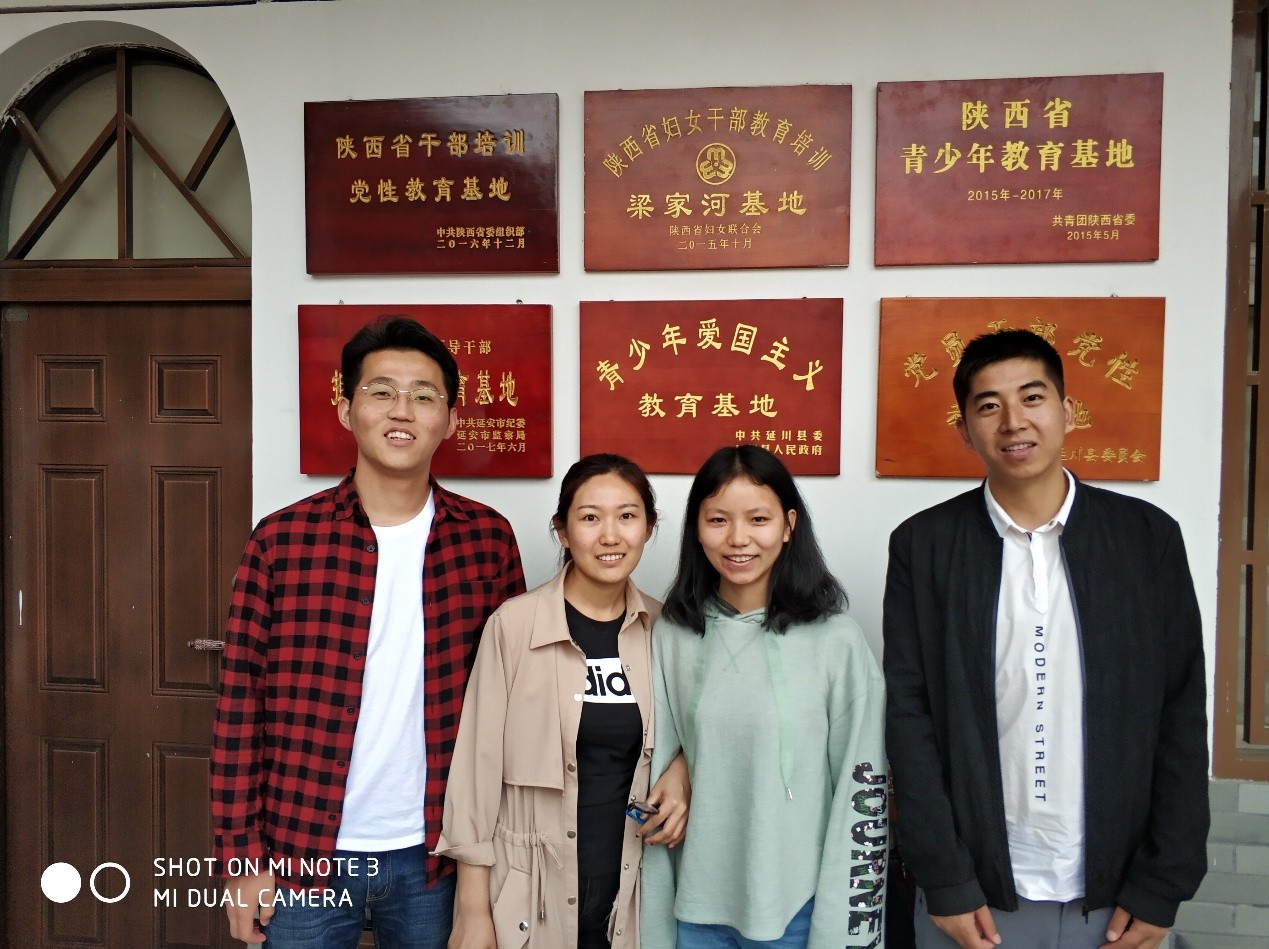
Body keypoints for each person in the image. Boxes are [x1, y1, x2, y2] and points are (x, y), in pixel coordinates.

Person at [883, 329, 1209, 949]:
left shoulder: (1146, 539)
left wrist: (1162, 883)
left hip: (1115, 895)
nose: (1013, 421)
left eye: (1032, 398)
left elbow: (1180, 711)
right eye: (988, 405)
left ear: (1068, 411)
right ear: (965, 429)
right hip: (975, 895)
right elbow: (909, 713)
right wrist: (944, 878)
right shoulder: (924, 546)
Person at [211, 316, 525, 948]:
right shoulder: (282, 541)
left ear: (451, 419)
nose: (401, 410)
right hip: (302, 854)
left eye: (424, 395)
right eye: (381, 391)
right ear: (346, 409)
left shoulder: (486, 540)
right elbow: (240, 702)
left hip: (436, 855)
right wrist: (241, 860)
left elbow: (513, 702)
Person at [439, 453, 691, 949]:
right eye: (590, 517)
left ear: (648, 528)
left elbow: (698, 730)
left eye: (627, 516)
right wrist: (471, 911)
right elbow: (474, 773)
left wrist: (682, 768)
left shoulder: (665, 631)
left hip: (634, 892)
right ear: (562, 531)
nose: (610, 536)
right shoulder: (514, 626)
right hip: (532, 894)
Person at [642, 445, 888, 949]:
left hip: (796, 908)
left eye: (758, 519)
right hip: (693, 909)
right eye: (718, 520)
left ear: (789, 525)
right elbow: (654, 766)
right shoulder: (671, 635)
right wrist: (683, 761)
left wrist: (845, 926)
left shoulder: (836, 640)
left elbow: (862, 789)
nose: (738, 539)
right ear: (696, 529)